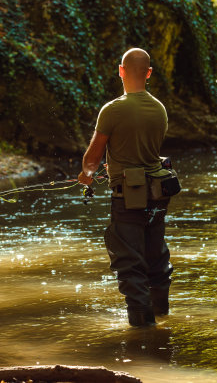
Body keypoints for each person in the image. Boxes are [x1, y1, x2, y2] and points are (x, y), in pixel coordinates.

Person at [78, 47, 173, 327]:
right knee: (157, 263)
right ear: (149, 73)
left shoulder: (113, 110)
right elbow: (146, 151)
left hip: (127, 200)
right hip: (158, 196)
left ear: (121, 70)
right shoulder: (159, 108)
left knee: (131, 268)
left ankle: (143, 336)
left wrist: (87, 175)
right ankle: (162, 323)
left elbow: (92, 160)